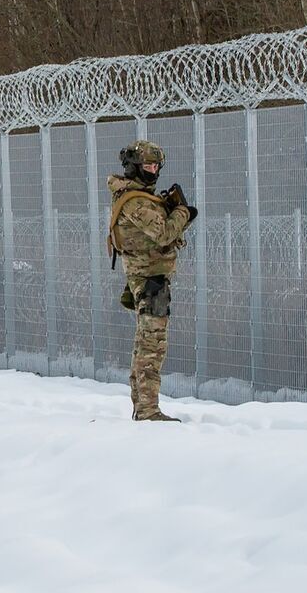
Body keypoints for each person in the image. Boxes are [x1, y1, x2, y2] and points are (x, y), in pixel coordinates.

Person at [107, 140, 197, 421]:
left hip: (150, 279)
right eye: (148, 166)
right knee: (151, 347)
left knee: (145, 343)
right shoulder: (135, 201)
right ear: (134, 166)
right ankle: (147, 410)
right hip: (149, 282)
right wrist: (182, 212)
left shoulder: (138, 197)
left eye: (156, 166)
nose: (153, 171)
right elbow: (164, 233)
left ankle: (143, 407)